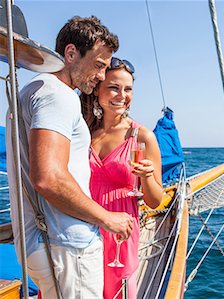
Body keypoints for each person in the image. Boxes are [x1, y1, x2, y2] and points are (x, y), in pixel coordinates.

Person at [6, 16, 134, 298]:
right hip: (67, 246)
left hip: (44, 243)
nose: (102, 76)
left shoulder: (33, 90)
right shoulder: (58, 96)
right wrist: (107, 219)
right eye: (99, 65)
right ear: (71, 53)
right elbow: (49, 178)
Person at [80, 57, 163, 299]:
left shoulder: (142, 136)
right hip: (86, 224)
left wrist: (147, 177)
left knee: (117, 292)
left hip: (120, 232)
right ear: (97, 90)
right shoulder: (85, 133)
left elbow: (155, 201)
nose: (122, 95)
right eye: (114, 87)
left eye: (128, 89)